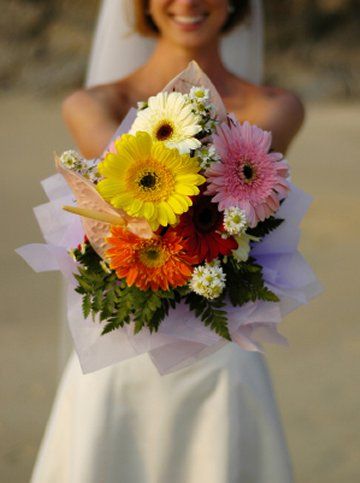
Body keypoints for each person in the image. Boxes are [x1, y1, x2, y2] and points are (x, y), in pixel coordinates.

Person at [31, 1, 302, 481]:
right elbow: (126, 212)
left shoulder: (275, 107)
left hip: (221, 357)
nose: (187, 2)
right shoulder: (92, 105)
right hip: (122, 354)